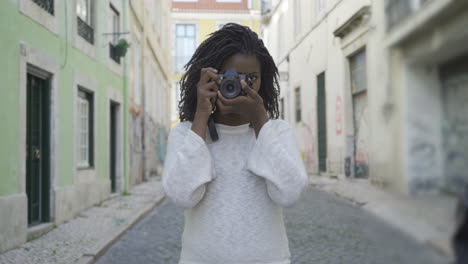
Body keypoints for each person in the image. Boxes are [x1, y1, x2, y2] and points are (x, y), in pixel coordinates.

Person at [162, 23, 308, 264]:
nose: (241, 85)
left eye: (251, 78)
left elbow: (290, 193)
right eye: (230, 77)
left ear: (264, 81)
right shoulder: (186, 134)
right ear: (208, 77)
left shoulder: (276, 132)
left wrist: (260, 119)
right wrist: (200, 116)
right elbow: (181, 196)